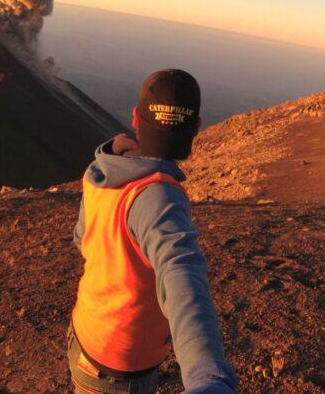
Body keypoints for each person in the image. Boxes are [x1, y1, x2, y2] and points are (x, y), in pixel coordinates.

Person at [69, 69, 237, 394]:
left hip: (87, 331)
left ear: (135, 117)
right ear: (197, 127)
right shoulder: (159, 194)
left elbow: (82, 239)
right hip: (120, 367)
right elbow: (182, 275)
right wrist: (207, 377)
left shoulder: (103, 170)